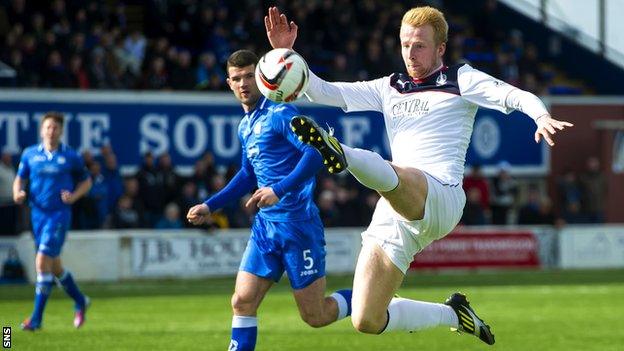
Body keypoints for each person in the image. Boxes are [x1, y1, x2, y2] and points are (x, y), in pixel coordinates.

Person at [266, 5, 573, 345]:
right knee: (366, 317)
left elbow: (512, 95)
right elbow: (327, 92)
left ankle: (340, 151)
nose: (410, 53)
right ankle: (455, 314)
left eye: (420, 45)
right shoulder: (390, 86)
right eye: (405, 44)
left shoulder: (461, 78)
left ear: (440, 48)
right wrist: (286, 55)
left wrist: (540, 115)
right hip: (395, 206)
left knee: (397, 174)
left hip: (440, 194)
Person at [186, 50, 352, 351]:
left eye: (249, 76)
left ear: (261, 77)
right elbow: (248, 175)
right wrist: (210, 205)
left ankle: (371, 298)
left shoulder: (280, 113)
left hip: (298, 227)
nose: (243, 83)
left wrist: (278, 188)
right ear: (229, 83)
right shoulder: (245, 126)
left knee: (316, 315)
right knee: (242, 301)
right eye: (237, 78)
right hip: (266, 228)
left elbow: (316, 153)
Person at [13, 112, 92, 331]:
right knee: (55, 267)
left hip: (58, 216)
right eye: (48, 127)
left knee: (41, 261)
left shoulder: (71, 156)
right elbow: (20, 179)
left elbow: (87, 182)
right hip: (37, 215)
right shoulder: (30, 155)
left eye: (55, 128)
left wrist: (74, 196)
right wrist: (17, 192)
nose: (51, 131)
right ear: (41, 130)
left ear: (61, 131)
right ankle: (80, 300)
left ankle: (36, 319)